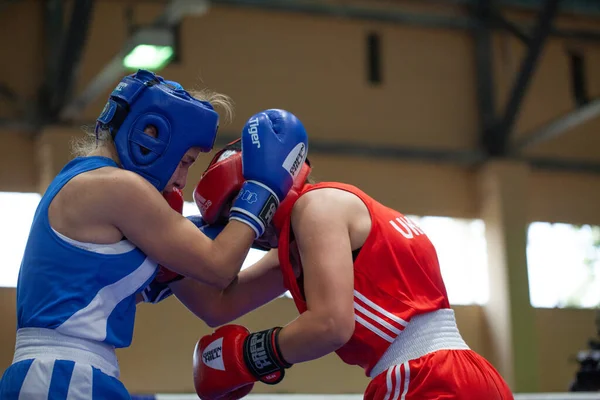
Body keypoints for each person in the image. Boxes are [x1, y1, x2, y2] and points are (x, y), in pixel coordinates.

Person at [0, 69, 308, 399]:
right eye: (186, 161)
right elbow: (219, 268)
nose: (181, 182)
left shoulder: (113, 206)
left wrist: (296, 253)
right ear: (152, 134)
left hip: (71, 373)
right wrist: (262, 191)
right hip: (63, 374)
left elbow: (217, 305)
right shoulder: (116, 187)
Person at [161, 139, 514, 400]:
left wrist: (248, 356)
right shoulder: (301, 239)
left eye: (237, 213)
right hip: (467, 375)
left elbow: (331, 325)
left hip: (426, 378)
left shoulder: (317, 208)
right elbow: (218, 306)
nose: (246, 231)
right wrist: (163, 242)